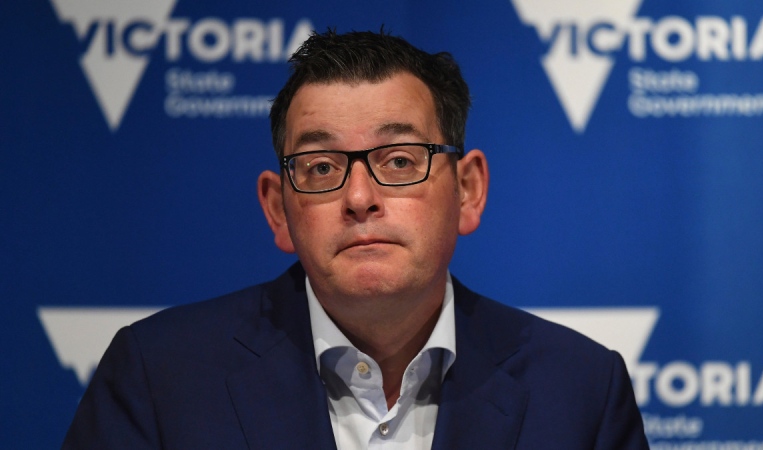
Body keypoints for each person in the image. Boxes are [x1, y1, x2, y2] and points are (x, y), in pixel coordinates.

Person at [63, 29, 649, 449]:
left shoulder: (579, 391)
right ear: (277, 209)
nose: (361, 197)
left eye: (399, 160)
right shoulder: (160, 377)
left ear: (468, 190)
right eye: (321, 167)